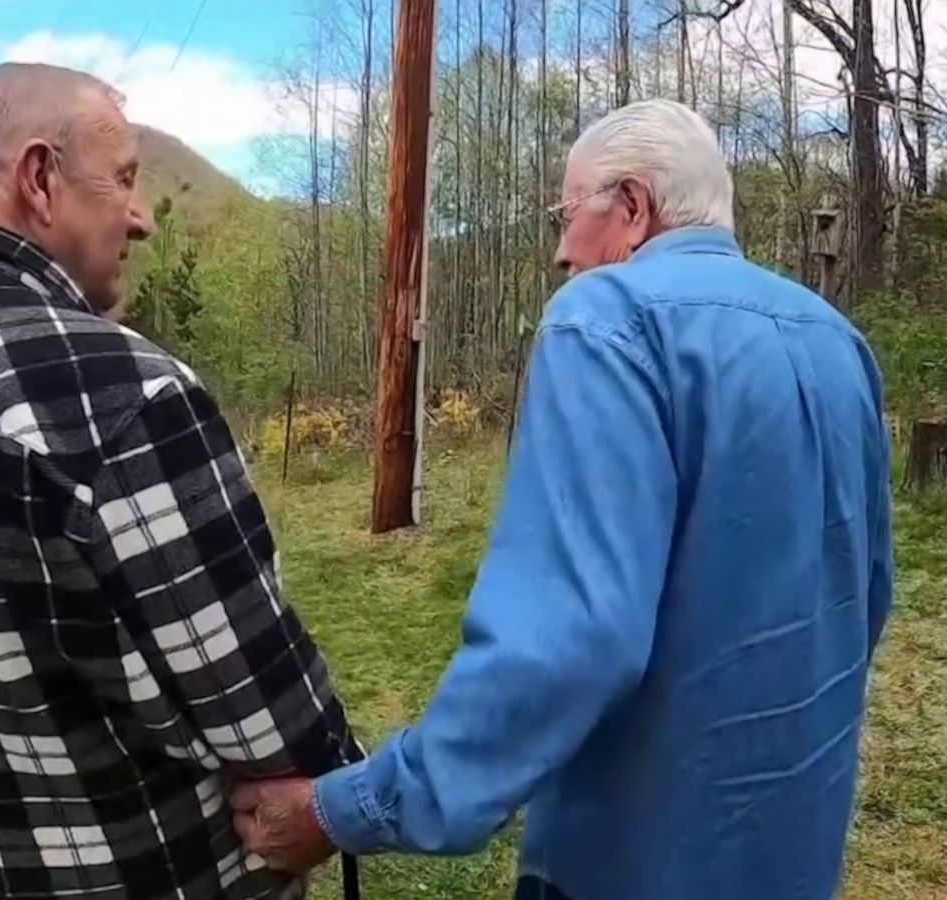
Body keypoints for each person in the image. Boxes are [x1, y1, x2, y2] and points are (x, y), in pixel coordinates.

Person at [231, 98, 895, 899]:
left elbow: (568, 643)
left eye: (565, 213)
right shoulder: (835, 336)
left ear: (633, 206)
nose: (558, 252)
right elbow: (865, 597)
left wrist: (352, 808)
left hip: (632, 865)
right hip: (794, 856)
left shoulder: (606, 320)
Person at [0, 62, 356, 900]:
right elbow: (273, 716)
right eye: (124, 179)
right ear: (40, 179)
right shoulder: (120, 389)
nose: (141, 218)